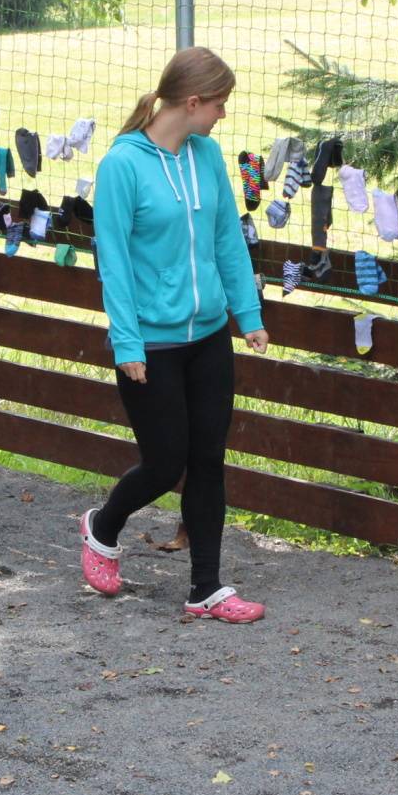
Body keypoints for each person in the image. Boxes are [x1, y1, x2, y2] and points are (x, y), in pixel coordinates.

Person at [82, 47, 271, 622]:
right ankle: (102, 528)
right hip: (152, 344)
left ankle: (206, 589)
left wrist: (248, 313)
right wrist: (127, 343)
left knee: (208, 459)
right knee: (165, 465)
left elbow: (226, 239)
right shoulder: (122, 166)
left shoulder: (206, 156)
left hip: (208, 336)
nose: (222, 115)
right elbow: (114, 262)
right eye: (219, 104)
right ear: (192, 102)